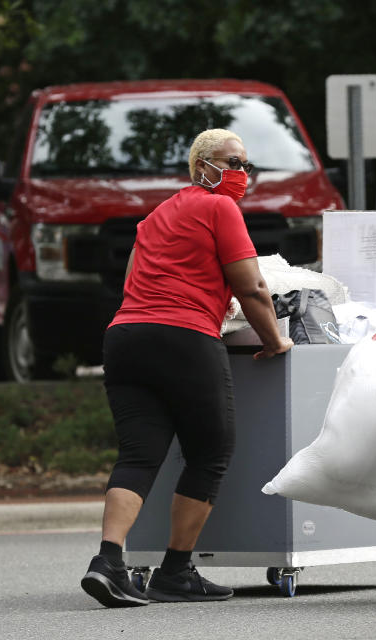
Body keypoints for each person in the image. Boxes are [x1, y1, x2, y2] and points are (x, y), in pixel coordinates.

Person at [80, 128, 294, 608]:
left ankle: (108, 562)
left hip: (125, 338)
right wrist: (274, 340)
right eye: (231, 163)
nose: (241, 173)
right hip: (184, 336)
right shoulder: (221, 208)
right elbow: (252, 286)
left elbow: (136, 277)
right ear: (202, 167)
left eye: (245, 165)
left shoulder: (155, 216)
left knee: (138, 455)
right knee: (210, 452)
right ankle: (175, 571)